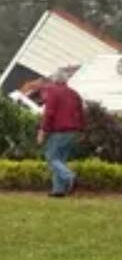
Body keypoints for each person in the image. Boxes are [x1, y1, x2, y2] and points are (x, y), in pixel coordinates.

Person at [37, 69, 85, 197]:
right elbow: (81, 113)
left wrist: (42, 130)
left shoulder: (52, 91)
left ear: (54, 79)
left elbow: (49, 113)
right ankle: (58, 190)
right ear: (66, 80)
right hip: (73, 131)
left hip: (59, 131)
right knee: (60, 160)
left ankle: (70, 177)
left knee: (51, 157)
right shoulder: (75, 94)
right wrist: (81, 130)